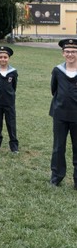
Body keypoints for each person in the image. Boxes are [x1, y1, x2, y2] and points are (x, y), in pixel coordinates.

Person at [49, 39, 77, 187]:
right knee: (58, 147)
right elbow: (54, 90)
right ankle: (56, 177)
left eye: (73, 51)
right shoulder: (57, 70)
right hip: (60, 114)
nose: (70, 54)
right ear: (62, 53)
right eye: (67, 51)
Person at [0, 46, 18, 153]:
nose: (3, 59)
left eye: (5, 57)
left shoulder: (13, 72)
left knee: (11, 123)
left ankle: (14, 145)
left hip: (9, 102)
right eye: (0, 57)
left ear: (8, 58)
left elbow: (14, 86)